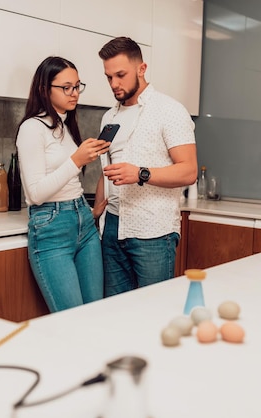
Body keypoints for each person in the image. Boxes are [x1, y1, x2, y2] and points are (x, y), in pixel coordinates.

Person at [94, 37, 198, 297]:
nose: (114, 84)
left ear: (142, 69)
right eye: (109, 77)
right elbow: (105, 172)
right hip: (111, 230)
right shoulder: (109, 117)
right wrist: (95, 215)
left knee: (153, 312)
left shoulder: (170, 110)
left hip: (153, 232)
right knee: (116, 315)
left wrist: (140, 173)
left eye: (120, 75)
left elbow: (189, 171)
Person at [16, 56, 109, 312]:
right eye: (66, 87)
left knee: (94, 313)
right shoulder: (32, 128)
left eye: (77, 86)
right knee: (72, 321)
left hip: (83, 222)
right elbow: (35, 194)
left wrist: (86, 212)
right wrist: (76, 160)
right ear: (44, 89)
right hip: (51, 227)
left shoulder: (65, 125)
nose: (74, 93)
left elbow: (66, 184)